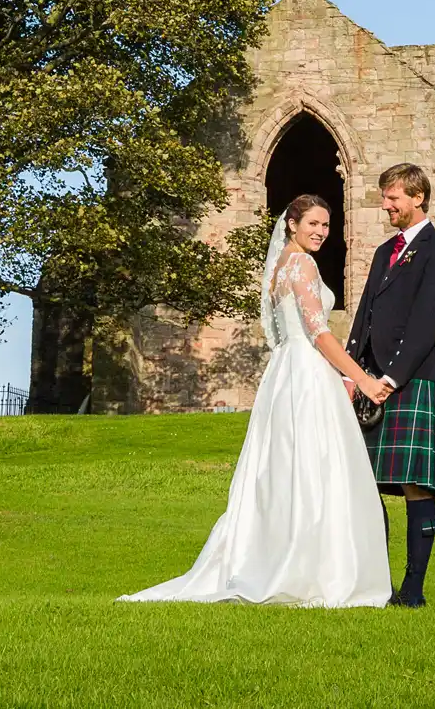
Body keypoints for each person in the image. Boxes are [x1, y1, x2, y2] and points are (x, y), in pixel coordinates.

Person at [118, 194, 393, 607]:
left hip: (286, 373)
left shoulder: (281, 265)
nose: (320, 232)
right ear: (292, 225)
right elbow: (319, 333)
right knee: (314, 466)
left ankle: (288, 559)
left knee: (288, 469)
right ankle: (312, 570)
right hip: (304, 373)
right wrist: (362, 379)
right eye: (313, 224)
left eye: (326, 226)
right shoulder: (301, 264)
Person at [344, 163, 435, 609]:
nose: (385, 205)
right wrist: (353, 374)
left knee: (416, 484)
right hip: (369, 378)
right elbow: (364, 317)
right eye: (384, 197)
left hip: (410, 379)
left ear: (418, 197)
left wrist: (391, 378)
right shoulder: (382, 252)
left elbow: (429, 321)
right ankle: (377, 582)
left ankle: (413, 588)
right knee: (365, 482)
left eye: (392, 198)